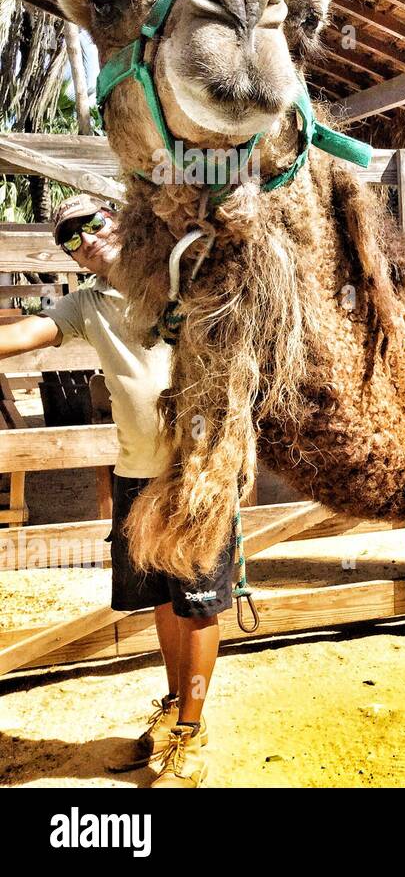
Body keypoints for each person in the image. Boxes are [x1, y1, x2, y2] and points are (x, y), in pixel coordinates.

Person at [0, 194, 235, 787]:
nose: (86, 238)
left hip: (198, 470)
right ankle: (176, 707)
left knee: (198, 605)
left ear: (120, 220)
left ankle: (191, 731)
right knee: (162, 600)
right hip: (136, 473)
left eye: (92, 222)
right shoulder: (85, 303)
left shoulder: (182, 274)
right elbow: (28, 331)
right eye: (71, 239)